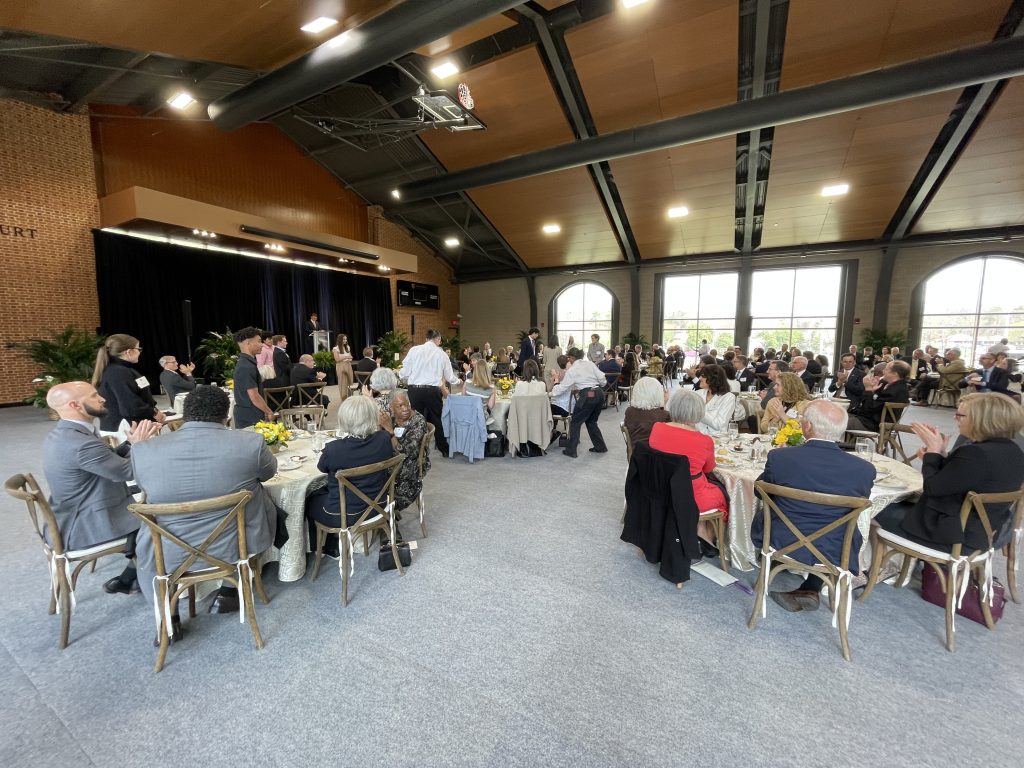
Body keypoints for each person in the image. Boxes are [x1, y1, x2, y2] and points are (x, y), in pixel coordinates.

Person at [131, 386, 279, 615]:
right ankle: (231, 589)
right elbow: (268, 475)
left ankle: (168, 617)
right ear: (226, 416)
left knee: (149, 529)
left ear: (184, 414)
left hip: (168, 551)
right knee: (259, 494)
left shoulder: (143, 450)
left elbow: (144, 489)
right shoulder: (251, 443)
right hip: (238, 544)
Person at [753, 399, 877, 612]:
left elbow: (759, 491)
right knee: (836, 524)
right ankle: (812, 586)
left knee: (768, 513)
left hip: (782, 538)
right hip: (836, 547)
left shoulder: (781, 457)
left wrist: (783, 461)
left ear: (807, 426)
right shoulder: (864, 470)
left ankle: (776, 564)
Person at [42, 381, 161, 595]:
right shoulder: (81, 443)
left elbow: (107, 459)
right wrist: (140, 445)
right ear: (75, 405)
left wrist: (130, 443)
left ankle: (130, 577)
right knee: (163, 523)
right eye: (94, 396)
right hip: (86, 521)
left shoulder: (68, 432)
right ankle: (153, 582)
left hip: (73, 510)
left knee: (153, 512)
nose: (102, 398)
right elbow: (126, 472)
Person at [874, 393, 1024, 555]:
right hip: (984, 534)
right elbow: (960, 478)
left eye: (960, 415)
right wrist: (940, 454)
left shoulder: (975, 453)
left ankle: (877, 569)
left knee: (869, 510)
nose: (955, 418)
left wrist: (932, 454)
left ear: (981, 419)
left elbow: (932, 488)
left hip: (952, 537)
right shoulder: (1013, 451)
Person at [304, 396, 397, 557]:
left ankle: (324, 546)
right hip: (379, 506)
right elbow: (390, 442)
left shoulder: (334, 449)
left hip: (344, 515)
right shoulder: (383, 440)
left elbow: (321, 468)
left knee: (309, 499)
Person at [649, 389, 729, 554]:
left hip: (658, 489)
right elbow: (708, 469)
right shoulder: (704, 440)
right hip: (689, 497)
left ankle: (697, 532)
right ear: (698, 411)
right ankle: (705, 534)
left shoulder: (657, 428)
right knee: (723, 493)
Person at [398, 329, 460, 454]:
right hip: (432, 391)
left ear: (426, 339)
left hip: (414, 390)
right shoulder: (441, 354)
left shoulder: (414, 350)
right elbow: (449, 376)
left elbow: (404, 372)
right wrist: (458, 382)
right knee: (436, 419)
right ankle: (444, 450)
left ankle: (415, 449)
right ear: (437, 339)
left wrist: (400, 375)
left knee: (415, 420)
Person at [92, 334, 165, 432]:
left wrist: (154, 411)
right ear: (129, 352)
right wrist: (154, 413)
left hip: (128, 426)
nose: (140, 352)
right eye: (138, 349)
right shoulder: (119, 372)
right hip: (127, 430)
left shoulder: (120, 370)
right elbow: (130, 406)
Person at [550, 348, 608, 458]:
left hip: (588, 394)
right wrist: (601, 385)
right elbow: (602, 378)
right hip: (599, 393)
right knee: (591, 421)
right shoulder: (590, 364)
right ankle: (600, 446)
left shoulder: (573, 370)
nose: (568, 360)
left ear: (572, 357)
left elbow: (563, 387)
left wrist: (552, 393)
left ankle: (571, 450)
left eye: (569, 357)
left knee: (575, 422)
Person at [380, 391, 431, 513]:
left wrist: (390, 432)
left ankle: (386, 520)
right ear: (391, 408)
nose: (405, 409)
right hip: (389, 464)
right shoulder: (391, 419)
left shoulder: (418, 422)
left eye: (407, 404)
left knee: (375, 491)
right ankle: (383, 518)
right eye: (400, 406)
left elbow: (404, 454)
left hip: (408, 472)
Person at [847, 360, 911, 432]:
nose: (883, 371)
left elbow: (869, 408)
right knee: (838, 416)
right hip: (867, 419)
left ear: (894, 374)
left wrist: (868, 389)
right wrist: (873, 390)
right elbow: (873, 402)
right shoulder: (887, 384)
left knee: (836, 423)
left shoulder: (898, 390)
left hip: (874, 424)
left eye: (886, 369)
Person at [232, 327, 274, 429]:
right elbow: (254, 396)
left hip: (249, 413)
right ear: (248, 343)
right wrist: (268, 411)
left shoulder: (246, 363)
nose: (262, 345)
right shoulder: (246, 366)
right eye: (259, 341)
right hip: (249, 416)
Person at [622, 376, 670, 445]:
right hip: (656, 454)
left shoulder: (629, 411)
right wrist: (663, 404)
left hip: (636, 453)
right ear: (657, 394)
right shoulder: (665, 415)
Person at [695, 364, 736, 437]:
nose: (700, 378)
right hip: (696, 436)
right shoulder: (698, 394)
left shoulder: (728, 397)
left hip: (717, 438)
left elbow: (719, 424)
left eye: (703, 376)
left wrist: (698, 412)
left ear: (713, 378)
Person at [332, 333, 354, 400]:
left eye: (346, 339)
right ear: (340, 340)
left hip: (348, 365)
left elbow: (350, 357)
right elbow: (337, 359)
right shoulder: (336, 349)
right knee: (342, 382)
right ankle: (343, 398)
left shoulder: (347, 347)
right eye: (344, 339)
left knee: (349, 381)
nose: (345, 340)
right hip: (340, 366)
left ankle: (349, 397)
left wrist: (349, 358)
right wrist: (346, 357)